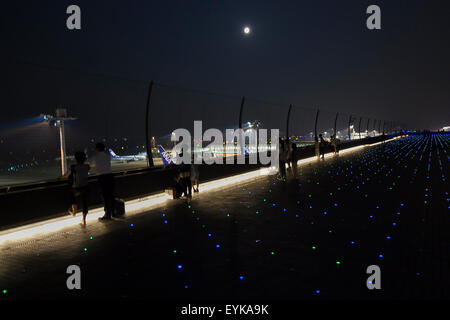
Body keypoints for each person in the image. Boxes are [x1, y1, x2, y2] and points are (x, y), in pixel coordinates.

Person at [62, 151, 90, 225]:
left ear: (76, 159)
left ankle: (74, 211)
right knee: (84, 203)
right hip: (85, 187)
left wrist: (59, 178)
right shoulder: (87, 166)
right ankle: (84, 219)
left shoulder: (73, 167)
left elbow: (66, 175)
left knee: (72, 196)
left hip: (76, 188)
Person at [89, 142, 115, 220]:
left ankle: (107, 214)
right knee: (111, 195)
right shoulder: (107, 156)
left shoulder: (95, 157)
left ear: (97, 149)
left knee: (105, 196)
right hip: (110, 176)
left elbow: (91, 166)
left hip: (102, 178)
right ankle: (113, 212)